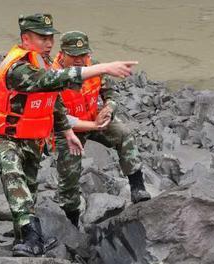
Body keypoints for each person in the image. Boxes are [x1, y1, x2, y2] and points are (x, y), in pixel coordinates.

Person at [0, 13, 138, 257]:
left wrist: (66, 131)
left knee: (29, 191)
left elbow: (53, 101)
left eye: (51, 38)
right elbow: (49, 81)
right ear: (26, 38)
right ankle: (32, 235)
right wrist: (103, 67)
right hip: (6, 138)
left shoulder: (41, 60)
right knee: (12, 171)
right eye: (42, 37)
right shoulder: (19, 67)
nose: (49, 42)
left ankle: (24, 243)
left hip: (33, 140)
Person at [52, 31, 151, 227]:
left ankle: (137, 188)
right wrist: (94, 125)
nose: (80, 60)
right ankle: (72, 219)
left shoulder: (94, 65)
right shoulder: (52, 76)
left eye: (83, 55)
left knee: (123, 133)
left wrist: (108, 109)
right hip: (67, 130)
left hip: (92, 118)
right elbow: (60, 118)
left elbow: (110, 92)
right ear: (62, 53)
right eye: (74, 55)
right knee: (69, 174)